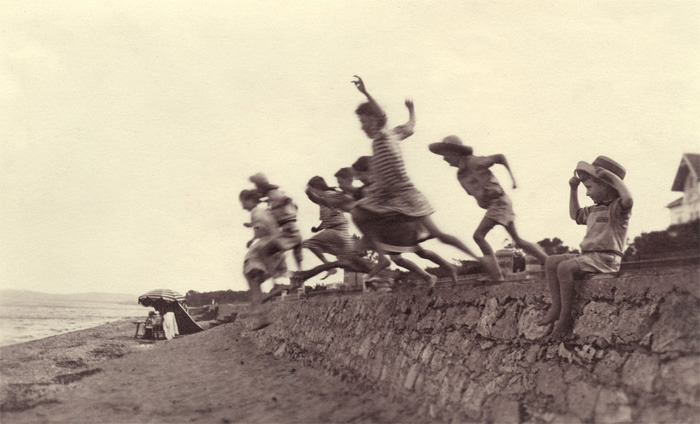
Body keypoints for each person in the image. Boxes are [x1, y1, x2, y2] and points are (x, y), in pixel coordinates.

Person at [348, 76, 488, 286]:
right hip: (390, 198)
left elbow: (382, 115)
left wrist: (366, 93)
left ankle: (479, 259)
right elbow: (411, 127)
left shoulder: (384, 134)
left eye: (364, 122)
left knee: (439, 235)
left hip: (406, 195)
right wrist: (411, 110)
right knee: (359, 213)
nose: (362, 128)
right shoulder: (394, 134)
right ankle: (384, 255)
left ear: (373, 120)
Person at [537, 156, 633, 339]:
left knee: (565, 268)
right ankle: (556, 307)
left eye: (589, 187)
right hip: (589, 256)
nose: (587, 193)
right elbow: (575, 214)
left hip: (605, 259)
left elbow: (628, 199)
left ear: (607, 186)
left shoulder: (617, 209)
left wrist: (612, 178)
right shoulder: (593, 210)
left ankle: (565, 317)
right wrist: (573, 190)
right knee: (551, 261)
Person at [429, 135, 548, 280]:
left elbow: (500, 157)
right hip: (497, 204)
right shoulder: (461, 174)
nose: (444, 159)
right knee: (517, 240)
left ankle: (496, 275)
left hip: (499, 203)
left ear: (455, 153)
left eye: (446, 155)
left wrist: (513, 179)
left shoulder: (474, 161)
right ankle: (550, 262)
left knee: (478, 236)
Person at [240, 188, 288, 330]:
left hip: (268, 248)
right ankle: (262, 313)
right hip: (277, 249)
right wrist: (253, 235)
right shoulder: (262, 211)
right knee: (255, 280)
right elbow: (267, 224)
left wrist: (255, 232)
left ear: (249, 200)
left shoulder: (255, 212)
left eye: (243, 203)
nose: (243, 207)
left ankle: (260, 310)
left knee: (249, 272)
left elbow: (260, 227)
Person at [249, 172, 303, 270]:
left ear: (261, 186)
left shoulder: (274, 195)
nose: (257, 189)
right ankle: (299, 271)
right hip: (292, 228)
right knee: (295, 251)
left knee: (265, 251)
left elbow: (286, 201)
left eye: (257, 186)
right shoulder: (272, 195)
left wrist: (282, 206)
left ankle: (277, 275)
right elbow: (293, 205)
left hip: (288, 230)